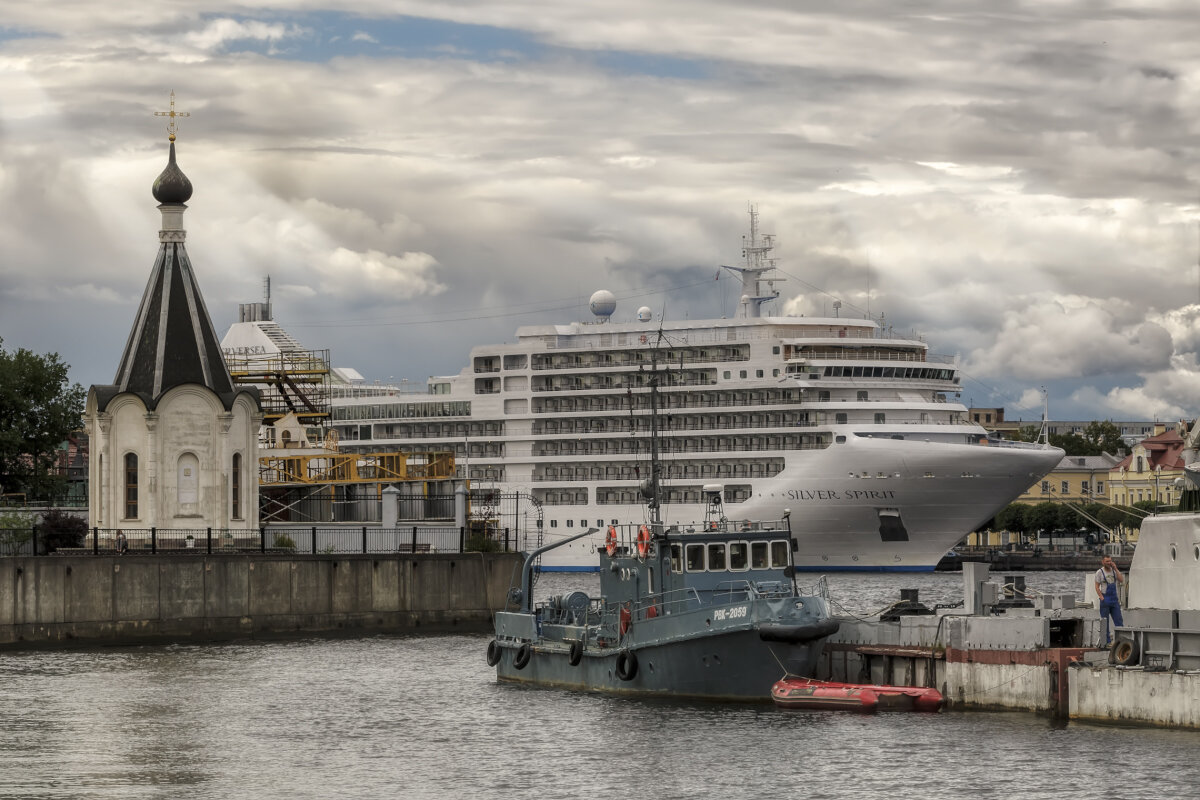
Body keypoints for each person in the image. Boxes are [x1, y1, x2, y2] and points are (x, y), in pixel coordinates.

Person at [1095, 555, 1124, 645]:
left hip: (1114, 600)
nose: (1109, 563)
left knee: (1119, 620)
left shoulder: (1114, 571)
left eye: (1110, 561)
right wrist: (1101, 597)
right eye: (1107, 561)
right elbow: (1096, 586)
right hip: (1105, 599)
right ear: (1103, 562)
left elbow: (1121, 580)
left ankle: (1121, 640)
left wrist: (1116, 568)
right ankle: (1107, 641)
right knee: (1105, 622)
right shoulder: (1099, 572)